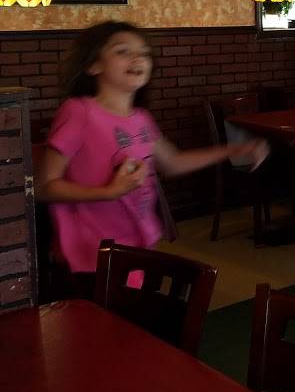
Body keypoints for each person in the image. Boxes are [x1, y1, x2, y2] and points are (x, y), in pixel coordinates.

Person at [36, 21, 268, 297]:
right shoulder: (78, 111)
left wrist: (233, 150)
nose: (137, 59)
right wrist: (108, 192)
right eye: (123, 51)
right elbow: (44, 187)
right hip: (91, 256)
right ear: (93, 65)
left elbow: (174, 162)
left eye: (144, 53)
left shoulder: (141, 118)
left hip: (138, 249)